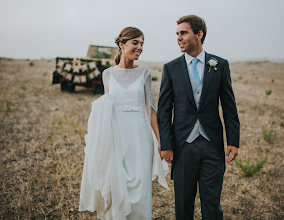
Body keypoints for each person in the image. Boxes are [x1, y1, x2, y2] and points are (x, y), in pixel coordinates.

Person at [79, 27, 169, 220]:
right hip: (114, 137)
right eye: (135, 43)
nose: (140, 47)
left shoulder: (145, 73)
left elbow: (152, 109)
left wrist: (161, 141)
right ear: (122, 44)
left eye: (142, 44)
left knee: (140, 187)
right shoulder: (108, 74)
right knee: (116, 185)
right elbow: (104, 108)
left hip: (139, 137)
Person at [158, 15, 240, 219]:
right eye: (177, 34)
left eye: (183, 33)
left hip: (212, 144)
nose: (179, 38)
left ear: (199, 34)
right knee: (183, 206)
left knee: (212, 206)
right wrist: (166, 144)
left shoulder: (220, 65)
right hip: (183, 145)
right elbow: (165, 110)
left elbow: (229, 106)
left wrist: (233, 141)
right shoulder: (171, 68)